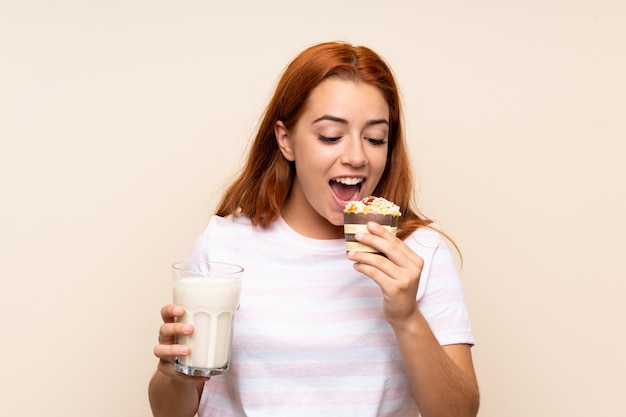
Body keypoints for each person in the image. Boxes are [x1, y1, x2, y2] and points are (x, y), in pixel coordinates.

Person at [149, 41, 479, 417]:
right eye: (329, 136)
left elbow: (460, 413)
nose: (356, 156)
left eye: (375, 138)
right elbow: (170, 412)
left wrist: (406, 317)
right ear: (286, 139)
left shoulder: (420, 251)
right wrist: (176, 374)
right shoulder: (225, 243)